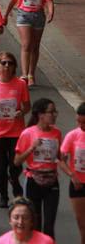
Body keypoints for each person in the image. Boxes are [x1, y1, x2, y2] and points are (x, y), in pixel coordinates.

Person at [0, 51, 30, 207]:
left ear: (14, 66)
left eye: (10, 63)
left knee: (15, 164)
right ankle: (3, 196)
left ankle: (15, 182)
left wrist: (20, 112)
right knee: (1, 167)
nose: (7, 66)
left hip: (16, 130)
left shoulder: (20, 84)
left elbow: (27, 106)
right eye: (3, 63)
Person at [14, 98, 62, 238]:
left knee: (49, 226)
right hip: (33, 181)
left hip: (52, 181)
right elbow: (17, 161)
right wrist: (32, 148)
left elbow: (59, 156)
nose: (54, 115)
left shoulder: (56, 133)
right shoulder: (28, 133)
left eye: (55, 112)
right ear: (41, 115)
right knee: (35, 225)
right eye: (51, 112)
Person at [3, 0, 54, 86]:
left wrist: (51, 12)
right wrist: (6, 14)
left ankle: (31, 73)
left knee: (35, 46)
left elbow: (48, 0)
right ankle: (25, 75)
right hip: (23, 15)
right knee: (26, 44)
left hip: (38, 16)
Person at [60, 102, 85, 244]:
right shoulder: (72, 136)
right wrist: (71, 175)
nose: (81, 126)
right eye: (79, 122)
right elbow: (61, 160)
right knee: (83, 227)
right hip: (77, 185)